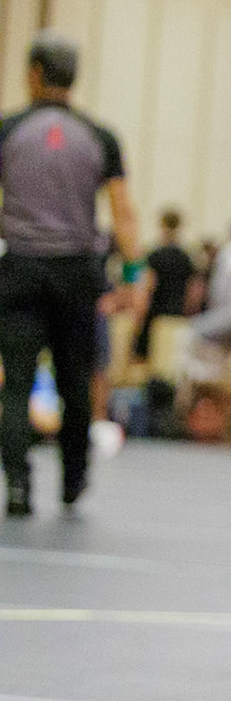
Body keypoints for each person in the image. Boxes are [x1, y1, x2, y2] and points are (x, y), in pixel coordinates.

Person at [0, 33, 139, 515]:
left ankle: (18, 485)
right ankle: (73, 479)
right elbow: (123, 213)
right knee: (75, 380)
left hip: (19, 268)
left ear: (34, 73)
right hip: (76, 273)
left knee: (16, 383)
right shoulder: (100, 137)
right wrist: (132, 275)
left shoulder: (9, 130)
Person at [133, 206, 195, 364]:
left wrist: (139, 316)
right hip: (177, 313)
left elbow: (147, 287)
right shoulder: (187, 257)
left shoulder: (155, 255)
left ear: (161, 226)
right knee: (172, 362)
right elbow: (192, 291)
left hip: (156, 315)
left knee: (146, 360)